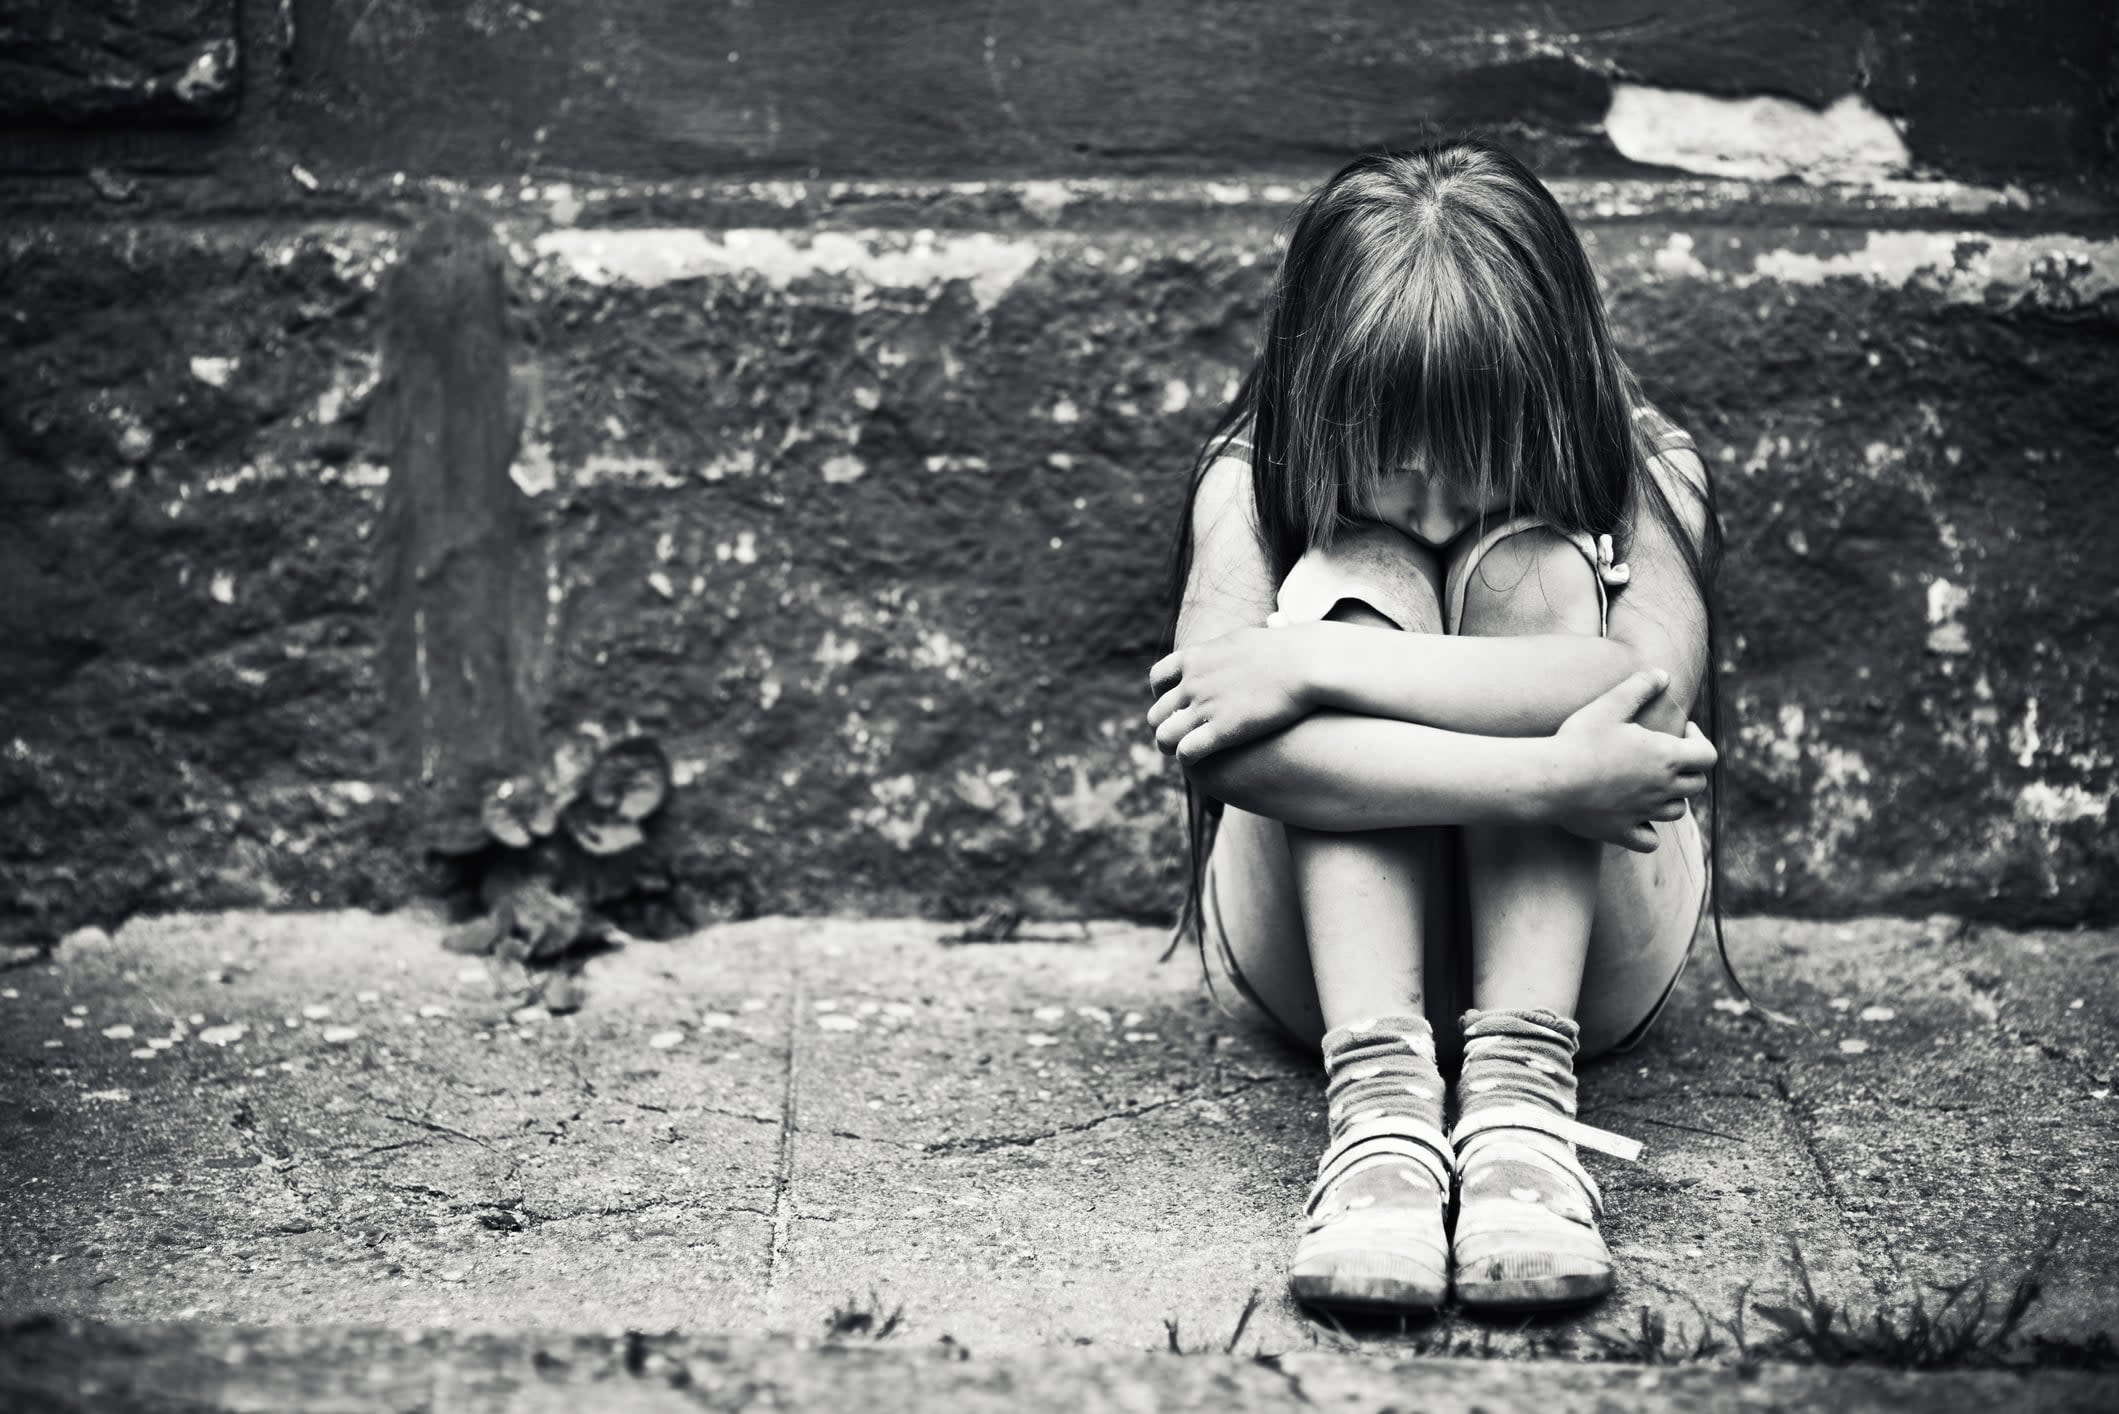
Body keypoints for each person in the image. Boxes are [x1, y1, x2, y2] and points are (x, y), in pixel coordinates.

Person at [1145, 138, 1724, 1317]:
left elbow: (1639, 693)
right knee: (1355, 564)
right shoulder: (1246, 477)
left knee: (1529, 572)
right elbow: (1219, 742)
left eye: (1482, 470)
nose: (1443, 508)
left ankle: (1520, 1115)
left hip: (1592, 955)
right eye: (1404, 471)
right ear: (1319, 402)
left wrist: (1312, 659)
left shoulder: (1647, 466)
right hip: (1318, 970)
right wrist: (1541, 777)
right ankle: (1380, 1127)